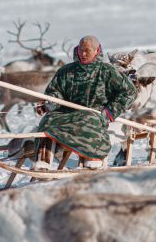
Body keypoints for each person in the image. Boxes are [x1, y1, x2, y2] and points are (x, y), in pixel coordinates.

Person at [34, 35, 136, 169]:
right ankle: (43, 161)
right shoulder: (66, 71)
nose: (82, 54)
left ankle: (92, 158)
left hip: (93, 113)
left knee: (89, 120)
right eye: (81, 50)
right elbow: (54, 91)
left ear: (96, 50)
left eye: (87, 50)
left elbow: (129, 92)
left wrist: (110, 111)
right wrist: (51, 102)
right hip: (66, 114)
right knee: (47, 121)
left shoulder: (107, 71)